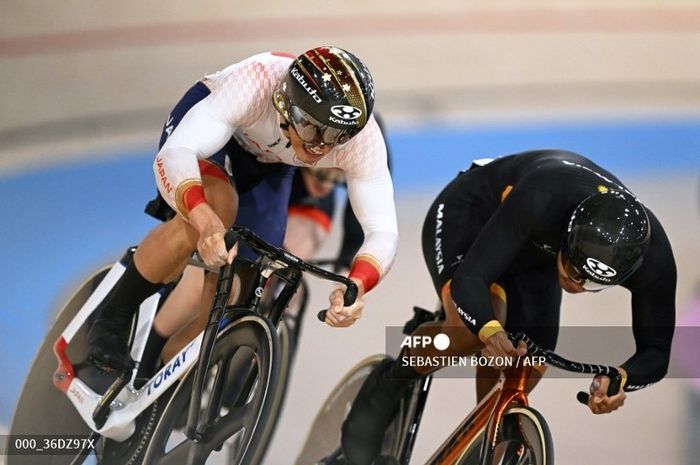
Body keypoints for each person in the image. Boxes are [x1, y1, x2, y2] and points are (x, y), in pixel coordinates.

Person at [339, 149, 676, 465]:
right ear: (570, 237)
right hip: (474, 214)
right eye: (575, 272)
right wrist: (488, 329)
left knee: (520, 371)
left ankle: (483, 443)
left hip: (537, 253)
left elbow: (657, 352)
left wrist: (622, 377)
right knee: (466, 333)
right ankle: (391, 381)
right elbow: (470, 278)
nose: (577, 286)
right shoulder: (545, 196)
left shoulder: (652, 256)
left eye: (594, 285)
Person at [86, 46, 398, 377]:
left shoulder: (361, 140)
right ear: (285, 105)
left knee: (245, 283)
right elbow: (176, 153)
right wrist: (204, 219)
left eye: (335, 136)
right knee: (218, 208)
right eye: (312, 130)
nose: (320, 146)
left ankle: (164, 377)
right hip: (214, 134)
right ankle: (113, 315)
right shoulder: (254, 84)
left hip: (270, 160)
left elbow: (383, 230)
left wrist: (357, 285)